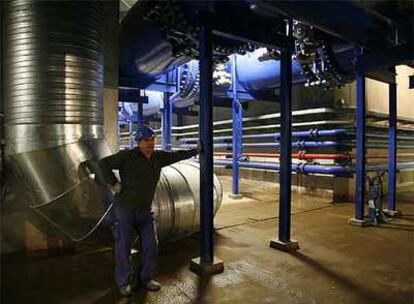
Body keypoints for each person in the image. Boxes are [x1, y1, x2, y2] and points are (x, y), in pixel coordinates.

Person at [99, 126, 199, 297]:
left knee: (151, 246)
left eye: (152, 139)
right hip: (126, 210)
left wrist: (195, 151)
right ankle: (124, 282)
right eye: (146, 140)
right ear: (139, 142)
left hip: (145, 211)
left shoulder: (158, 157)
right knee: (123, 247)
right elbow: (103, 164)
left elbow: (176, 156)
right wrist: (113, 183)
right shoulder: (127, 156)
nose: (150, 143)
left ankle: (146, 278)